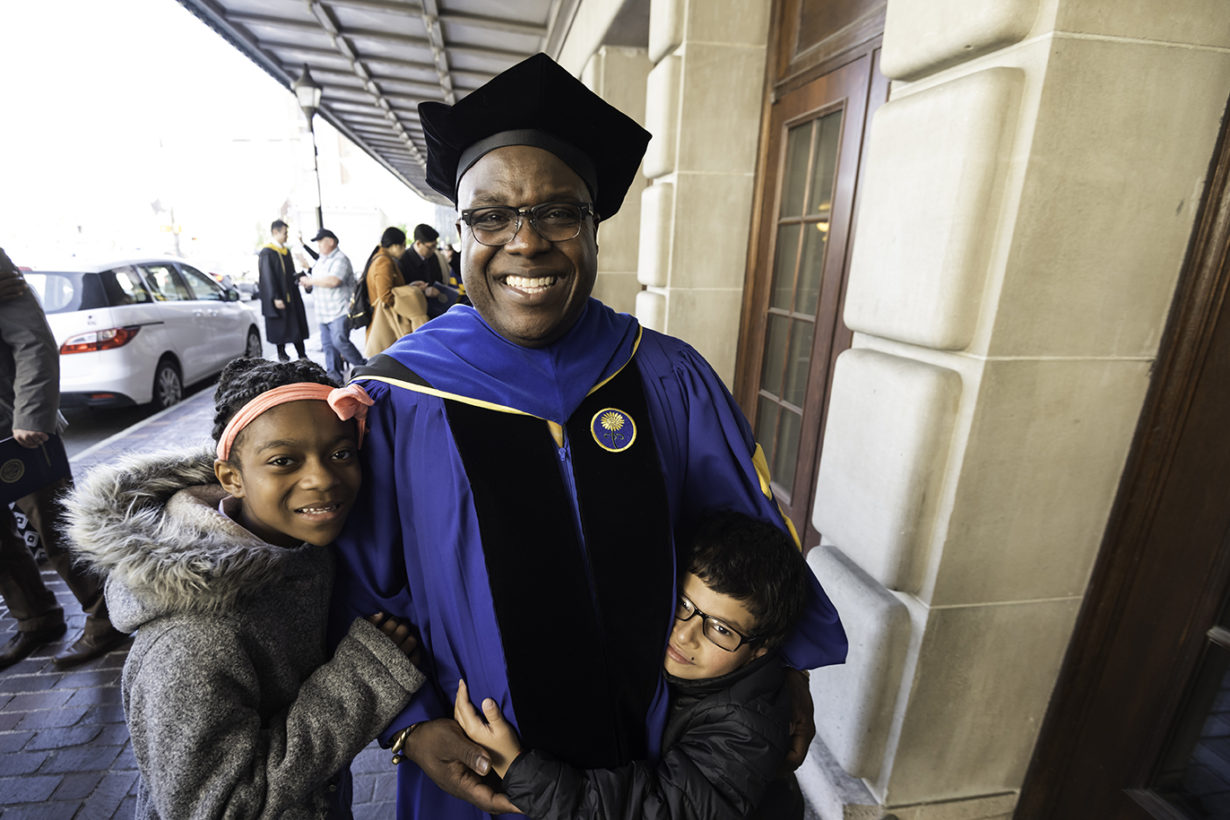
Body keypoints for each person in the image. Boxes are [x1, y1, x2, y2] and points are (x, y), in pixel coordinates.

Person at [330, 52, 846, 819]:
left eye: (558, 213)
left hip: (658, 762)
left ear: (593, 227)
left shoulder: (665, 375)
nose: (525, 243)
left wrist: (789, 680)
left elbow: (754, 544)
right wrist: (410, 731)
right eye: (492, 216)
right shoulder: (399, 398)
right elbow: (358, 589)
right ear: (461, 233)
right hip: (483, 777)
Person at [64, 357, 426, 818]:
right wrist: (359, 679)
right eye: (283, 461)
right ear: (231, 478)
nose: (322, 479)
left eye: (341, 454)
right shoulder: (192, 641)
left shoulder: (301, 545)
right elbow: (216, 808)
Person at [456, 511, 810, 820]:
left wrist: (520, 771)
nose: (685, 635)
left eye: (720, 628)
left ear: (761, 650)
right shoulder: (677, 657)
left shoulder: (748, 726)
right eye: (683, 604)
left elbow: (662, 811)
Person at [0, 247, 128, 670]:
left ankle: (106, 615)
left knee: (56, 523)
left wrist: (32, 414)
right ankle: (36, 619)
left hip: (14, 428)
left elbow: (32, 338)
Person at [301, 228, 367, 383]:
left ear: (331, 241)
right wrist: (308, 285)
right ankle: (335, 380)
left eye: (320, 241)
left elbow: (334, 281)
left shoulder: (340, 259)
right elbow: (318, 281)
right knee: (329, 347)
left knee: (339, 342)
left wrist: (311, 281)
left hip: (339, 310)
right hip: (323, 313)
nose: (318, 245)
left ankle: (365, 369)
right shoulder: (320, 261)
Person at [362, 226, 429, 357]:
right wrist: (410, 293)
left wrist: (410, 286)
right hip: (385, 322)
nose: (404, 250)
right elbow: (385, 296)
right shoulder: (384, 262)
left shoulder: (380, 258)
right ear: (394, 246)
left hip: (381, 318)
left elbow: (392, 289)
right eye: (403, 246)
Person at [258, 219, 311, 361]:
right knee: (280, 327)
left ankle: (302, 354)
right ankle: (282, 353)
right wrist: (275, 297)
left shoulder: (285, 251)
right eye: (284, 233)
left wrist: (300, 278)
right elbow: (267, 277)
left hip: (291, 295)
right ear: (275, 232)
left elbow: (291, 272)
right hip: (279, 297)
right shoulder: (267, 252)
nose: (286, 236)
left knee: (296, 325)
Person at [398, 223, 461, 320]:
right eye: (431, 247)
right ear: (418, 244)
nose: (434, 250)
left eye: (435, 246)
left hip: (436, 309)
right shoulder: (403, 261)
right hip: (416, 314)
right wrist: (423, 291)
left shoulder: (433, 257)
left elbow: (438, 279)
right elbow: (402, 293)